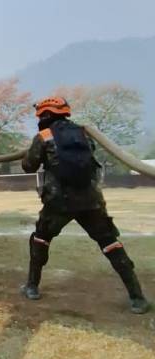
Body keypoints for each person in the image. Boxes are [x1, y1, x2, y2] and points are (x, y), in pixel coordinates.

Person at [21, 96, 150, 313]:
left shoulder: (44, 136)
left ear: (44, 115)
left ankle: (32, 286)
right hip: (91, 201)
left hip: (59, 202)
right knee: (110, 243)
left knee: (41, 239)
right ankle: (137, 297)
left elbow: (28, 166)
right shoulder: (83, 134)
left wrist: (32, 154)